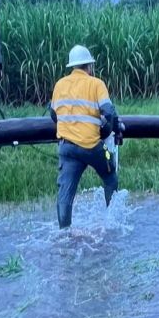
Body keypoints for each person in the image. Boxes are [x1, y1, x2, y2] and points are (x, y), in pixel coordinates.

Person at [50, 45, 120, 228]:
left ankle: (64, 231)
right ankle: (110, 221)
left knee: (66, 192)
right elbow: (109, 113)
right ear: (89, 66)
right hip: (92, 147)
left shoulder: (59, 85)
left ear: (72, 66)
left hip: (67, 148)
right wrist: (105, 132)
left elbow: (53, 114)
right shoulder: (96, 84)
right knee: (110, 174)